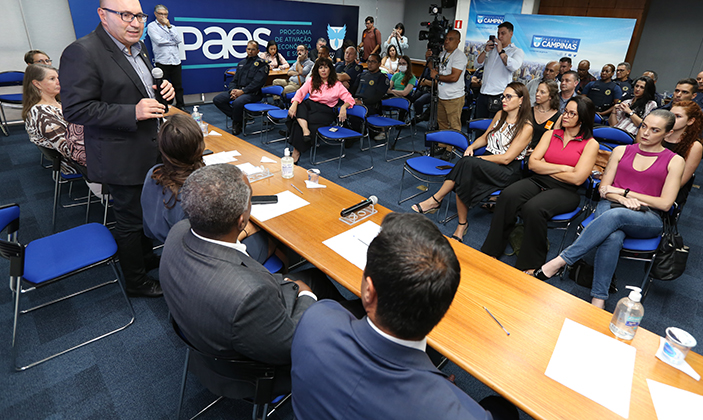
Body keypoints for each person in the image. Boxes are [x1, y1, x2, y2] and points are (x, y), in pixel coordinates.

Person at [291, 213, 519, 420]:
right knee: (501, 408)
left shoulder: (315, 318)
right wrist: (442, 394)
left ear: (369, 291)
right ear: (443, 310)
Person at [161, 163, 348, 370]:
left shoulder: (179, 231)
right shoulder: (249, 295)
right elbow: (288, 346)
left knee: (315, 277)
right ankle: (348, 341)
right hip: (254, 367)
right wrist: (306, 296)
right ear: (241, 220)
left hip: (211, 317)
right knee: (338, 304)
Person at [59, 0, 175, 298]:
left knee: (145, 213)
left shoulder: (138, 48)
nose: (135, 22)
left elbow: (136, 88)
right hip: (119, 155)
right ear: (103, 15)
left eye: (139, 15)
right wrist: (132, 112)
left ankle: (146, 257)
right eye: (126, 15)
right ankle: (136, 281)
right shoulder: (82, 52)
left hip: (148, 149)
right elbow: (75, 109)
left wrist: (160, 92)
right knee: (129, 221)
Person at [534, 110, 685, 308]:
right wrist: (620, 197)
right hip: (612, 204)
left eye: (655, 130)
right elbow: (604, 189)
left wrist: (625, 193)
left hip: (648, 216)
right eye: (644, 126)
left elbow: (665, 203)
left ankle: (560, 261)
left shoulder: (675, 160)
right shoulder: (621, 151)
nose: (646, 133)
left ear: (667, 133)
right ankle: (599, 298)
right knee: (613, 235)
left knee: (616, 216)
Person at [140, 115, 283, 264]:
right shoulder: (196, 196)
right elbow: (213, 245)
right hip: (203, 258)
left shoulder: (154, 172)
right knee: (271, 235)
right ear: (199, 146)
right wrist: (247, 230)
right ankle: (270, 279)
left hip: (168, 240)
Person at [480, 96, 599, 271]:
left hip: (566, 191)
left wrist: (547, 167)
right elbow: (532, 164)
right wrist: (565, 168)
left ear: (582, 119)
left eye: (571, 113)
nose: (565, 116)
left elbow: (578, 179)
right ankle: (491, 250)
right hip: (538, 180)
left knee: (533, 208)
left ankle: (531, 264)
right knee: (508, 195)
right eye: (565, 111)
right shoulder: (551, 134)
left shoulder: (591, 144)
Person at [412, 82, 533, 242]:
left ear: (521, 100)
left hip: (507, 171)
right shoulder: (499, 115)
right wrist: (472, 147)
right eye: (503, 96)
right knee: (465, 173)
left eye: (509, 97)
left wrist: (477, 158)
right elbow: (485, 138)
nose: (503, 100)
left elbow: (507, 158)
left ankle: (437, 200)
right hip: (488, 162)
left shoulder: (526, 127)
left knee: (466, 164)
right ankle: (460, 223)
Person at [287, 56, 354, 164]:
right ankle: (305, 131)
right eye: (320, 67)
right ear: (317, 70)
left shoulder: (337, 84)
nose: (323, 70)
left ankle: (296, 152)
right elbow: (300, 92)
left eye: (326, 67)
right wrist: (294, 104)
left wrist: (343, 107)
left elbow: (349, 99)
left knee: (297, 121)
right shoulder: (312, 80)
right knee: (299, 105)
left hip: (325, 110)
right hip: (310, 105)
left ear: (330, 70)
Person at [22, 64, 85, 173]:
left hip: (85, 147)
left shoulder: (59, 103)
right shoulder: (42, 114)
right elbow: (70, 151)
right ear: (37, 84)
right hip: (77, 163)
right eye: (52, 79)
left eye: (58, 78)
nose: (58, 82)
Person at [213, 40, 269, 135]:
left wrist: (242, 92)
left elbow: (257, 83)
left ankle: (237, 123)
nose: (250, 51)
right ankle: (240, 118)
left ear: (258, 51)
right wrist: (232, 91)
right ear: (246, 49)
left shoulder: (262, 64)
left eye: (253, 49)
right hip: (238, 91)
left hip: (253, 93)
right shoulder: (242, 63)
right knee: (217, 99)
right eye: (248, 49)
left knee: (237, 103)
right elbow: (234, 81)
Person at [474, 22, 524, 119]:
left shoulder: (516, 51)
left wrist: (501, 51)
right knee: (479, 125)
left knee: (495, 127)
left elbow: (513, 66)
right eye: (498, 33)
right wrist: (485, 51)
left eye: (503, 33)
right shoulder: (491, 48)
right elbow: (477, 64)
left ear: (511, 34)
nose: (500, 36)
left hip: (499, 95)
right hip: (483, 93)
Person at [663, 100, 703, 204]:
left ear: (690, 121)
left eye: (678, 116)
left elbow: (680, 182)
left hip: (667, 191)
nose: (672, 119)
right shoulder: (659, 134)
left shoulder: (694, 146)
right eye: (670, 115)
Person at [431, 29, 468, 138]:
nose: (447, 41)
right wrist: (429, 59)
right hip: (441, 95)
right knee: (442, 123)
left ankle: (450, 150)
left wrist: (437, 76)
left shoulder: (459, 56)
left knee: (454, 125)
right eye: (446, 39)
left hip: (454, 97)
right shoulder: (443, 54)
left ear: (458, 41)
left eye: (450, 39)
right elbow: (436, 70)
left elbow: (454, 77)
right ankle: (443, 145)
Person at [147, 4, 184, 108]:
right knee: (163, 87)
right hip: (162, 61)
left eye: (165, 14)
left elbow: (178, 40)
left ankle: (181, 106)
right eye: (161, 14)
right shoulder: (151, 26)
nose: (163, 16)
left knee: (178, 86)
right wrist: (172, 42)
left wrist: (169, 26)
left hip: (175, 60)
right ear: (155, 14)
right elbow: (158, 41)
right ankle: (165, 107)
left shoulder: (172, 27)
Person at [529, 79, 562, 149]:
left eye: (542, 92)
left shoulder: (558, 117)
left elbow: (553, 141)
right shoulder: (529, 110)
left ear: (551, 96)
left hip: (541, 152)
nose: (537, 94)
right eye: (537, 91)